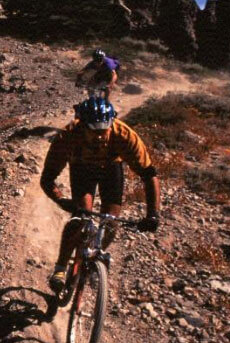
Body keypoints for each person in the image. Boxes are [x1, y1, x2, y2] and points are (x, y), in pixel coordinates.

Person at [40, 96, 160, 293]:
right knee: (81, 217)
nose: (99, 136)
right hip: (82, 169)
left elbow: (149, 175)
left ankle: (96, 256)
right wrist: (62, 200)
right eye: (93, 130)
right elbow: (47, 179)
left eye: (104, 129)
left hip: (111, 169)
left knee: (111, 222)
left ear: (112, 123)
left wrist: (153, 213)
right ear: (82, 125)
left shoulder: (124, 135)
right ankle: (61, 268)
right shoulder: (68, 136)